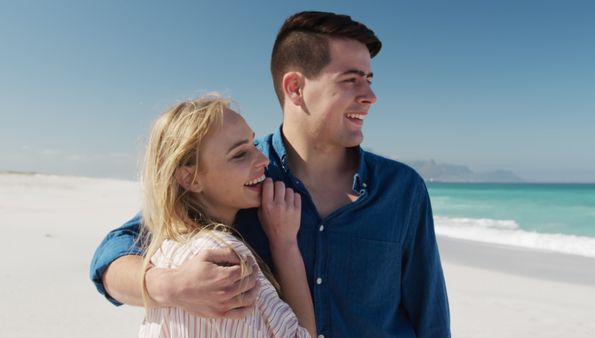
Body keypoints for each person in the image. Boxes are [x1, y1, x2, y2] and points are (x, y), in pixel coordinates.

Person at [91, 11, 450, 337]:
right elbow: (111, 255)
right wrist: (168, 287)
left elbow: (430, 319)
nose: (371, 95)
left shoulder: (403, 189)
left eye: (370, 79)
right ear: (295, 88)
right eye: (351, 80)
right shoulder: (236, 178)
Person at [136, 94, 315, 337]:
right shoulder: (226, 261)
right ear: (191, 178)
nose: (263, 159)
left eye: (253, 144)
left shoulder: (165, 251)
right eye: (240, 154)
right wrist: (285, 245)